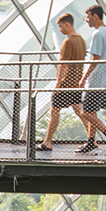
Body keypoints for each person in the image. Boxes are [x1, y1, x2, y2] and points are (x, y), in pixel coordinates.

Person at [38, 14, 88, 152]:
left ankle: (47, 142)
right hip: (76, 83)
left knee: (54, 112)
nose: (60, 30)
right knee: (80, 111)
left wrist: (58, 84)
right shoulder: (81, 41)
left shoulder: (68, 42)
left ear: (67, 24)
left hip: (66, 84)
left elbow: (63, 65)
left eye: (60, 27)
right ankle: (91, 139)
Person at [81, 5, 106, 155]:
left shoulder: (97, 34)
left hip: (96, 79)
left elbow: (95, 58)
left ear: (95, 16)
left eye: (88, 17)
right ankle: (91, 142)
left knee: (85, 111)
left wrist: (84, 78)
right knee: (93, 110)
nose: (86, 20)